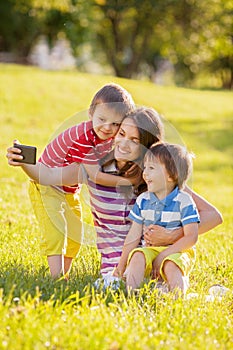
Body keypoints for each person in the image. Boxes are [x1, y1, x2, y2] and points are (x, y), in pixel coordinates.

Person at [7, 107, 222, 282]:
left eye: (135, 141)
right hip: (114, 268)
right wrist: (23, 161)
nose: (124, 144)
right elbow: (47, 175)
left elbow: (213, 215)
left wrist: (173, 237)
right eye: (122, 134)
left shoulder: (152, 177)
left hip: (153, 260)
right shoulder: (94, 169)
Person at [6, 83, 135, 278]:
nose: (108, 127)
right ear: (91, 113)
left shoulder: (108, 136)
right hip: (46, 186)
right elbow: (96, 175)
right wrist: (129, 182)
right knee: (57, 231)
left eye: (116, 124)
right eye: (102, 119)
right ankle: (55, 278)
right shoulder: (84, 138)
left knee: (76, 235)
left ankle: (64, 274)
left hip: (68, 188)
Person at [114, 142, 201, 295]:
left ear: (171, 176)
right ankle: (131, 295)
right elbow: (133, 236)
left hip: (179, 251)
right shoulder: (143, 200)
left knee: (170, 265)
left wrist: (164, 255)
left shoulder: (184, 201)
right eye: (145, 167)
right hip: (150, 249)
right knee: (137, 256)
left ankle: (178, 298)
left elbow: (191, 237)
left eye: (151, 168)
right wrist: (121, 266)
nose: (145, 173)